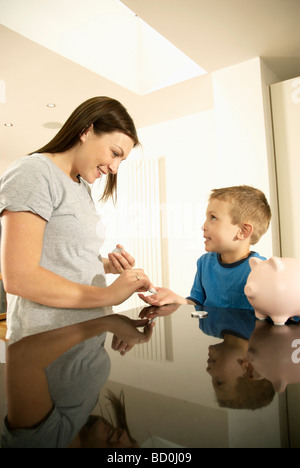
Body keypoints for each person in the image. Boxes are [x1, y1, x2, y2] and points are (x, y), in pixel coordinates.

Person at [0, 96, 155, 447]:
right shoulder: (33, 172)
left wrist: (103, 265)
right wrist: (108, 296)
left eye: (121, 160)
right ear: (86, 131)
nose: (115, 168)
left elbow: (57, 254)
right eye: (115, 153)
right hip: (44, 340)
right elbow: (20, 276)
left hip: (84, 331)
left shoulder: (81, 185)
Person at [1, 314, 152, 448]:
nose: (125, 435)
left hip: (48, 296)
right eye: (132, 442)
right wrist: (113, 324)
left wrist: (108, 323)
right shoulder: (81, 417)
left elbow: (23, 358)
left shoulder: (47, 443)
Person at [139, 185, 272, 310]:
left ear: (243, 231)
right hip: (211, 335)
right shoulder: (205, 263)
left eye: (213, 218)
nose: (204, 225)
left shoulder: (261, 270)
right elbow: (197, 304)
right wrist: (175, 298)